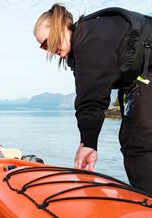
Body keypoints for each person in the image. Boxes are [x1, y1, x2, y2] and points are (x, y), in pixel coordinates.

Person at [34, 4, 152, 194]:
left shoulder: (89, 38)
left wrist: (89, 144)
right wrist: (85, 140)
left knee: (139, 143)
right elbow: (87, 94)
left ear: (61, 27)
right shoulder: (85, 43)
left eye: (47, 42)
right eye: (43, 47)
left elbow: (92, 101)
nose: (48, 50)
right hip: (142, 79)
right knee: (132, 139)